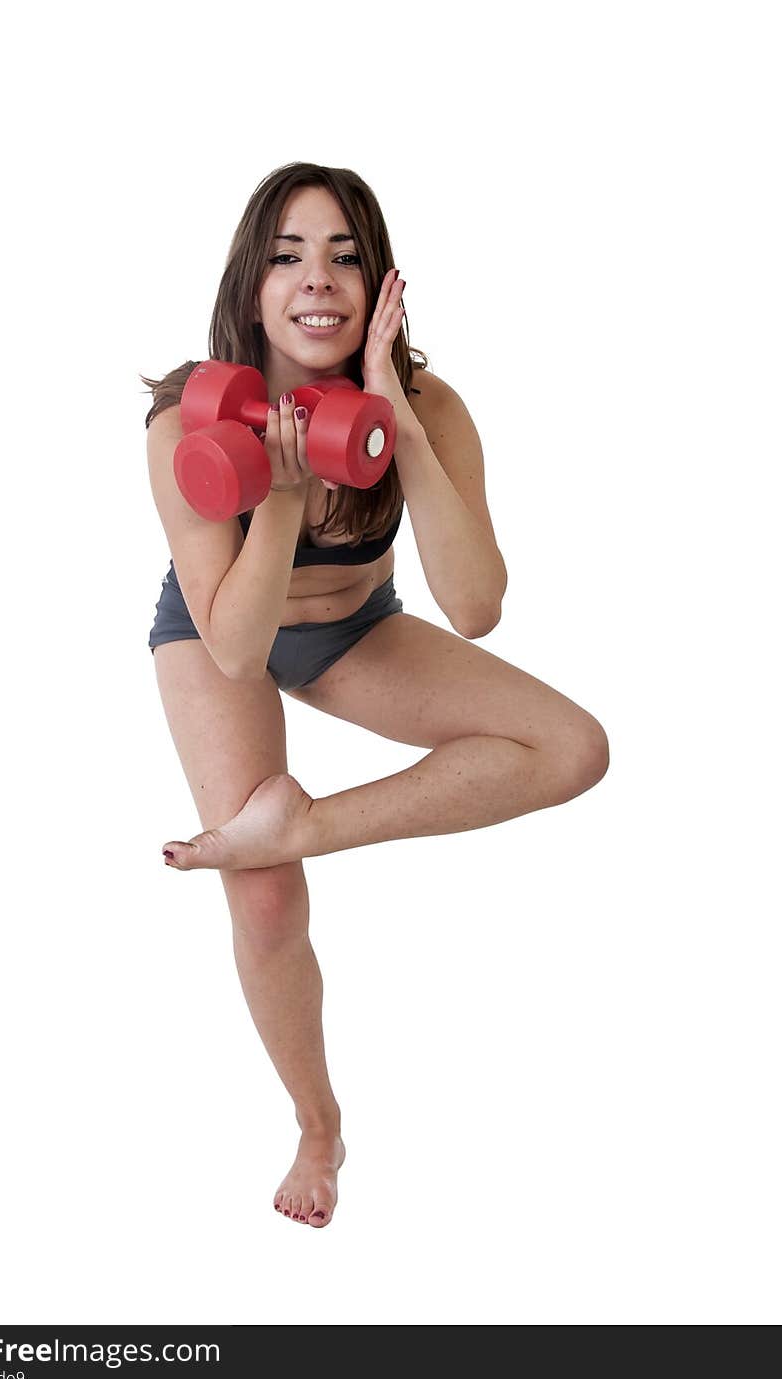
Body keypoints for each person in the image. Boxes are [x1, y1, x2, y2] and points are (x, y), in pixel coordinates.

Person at [141, 162, 610, 1229]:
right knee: (262, 895)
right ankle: (317, 1123)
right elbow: (232, 643)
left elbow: (477, 604)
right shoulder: (186, 421)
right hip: (223, 629)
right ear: (250, 283)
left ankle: (299, 826)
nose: (319, 279)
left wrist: (399, 418)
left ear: (378, 281)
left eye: (345, 254)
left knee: (573, 749)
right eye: (289, 254)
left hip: (355, 629)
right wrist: (284, 490)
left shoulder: (429, 403)